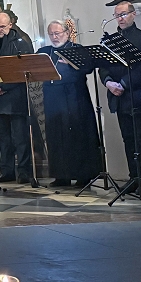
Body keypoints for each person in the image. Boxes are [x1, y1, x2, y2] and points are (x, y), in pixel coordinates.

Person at [99, 2, 141, 197]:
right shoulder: (110, 40)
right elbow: (103, 66)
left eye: (124, 14)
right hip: (118, 97)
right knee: (128, 139)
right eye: (117, 15)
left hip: (138, 97)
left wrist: (123, 83)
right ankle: (134, 178)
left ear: (133, 14)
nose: (120, 18)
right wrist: (108, 82)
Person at [38, 21, 102, 188]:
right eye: (51, 34)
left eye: (57, 33)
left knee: (77, 136)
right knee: (55, 136)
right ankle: (61, 176)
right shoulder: (44, 52)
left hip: (74, 98)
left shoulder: (77, 49)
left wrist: (73, 63)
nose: (54, 37)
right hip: (52, 98)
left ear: (67, 33)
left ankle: (83, 175)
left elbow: (88, 68)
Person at [0, 12, 35, 183]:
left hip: (15, 97)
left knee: (20, 138)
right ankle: (7, 171)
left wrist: (2, 86)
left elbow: (23, 70)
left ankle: (24, 172)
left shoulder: (21, 43)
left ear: (10, 25)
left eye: (2, 26)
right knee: (3, 138)